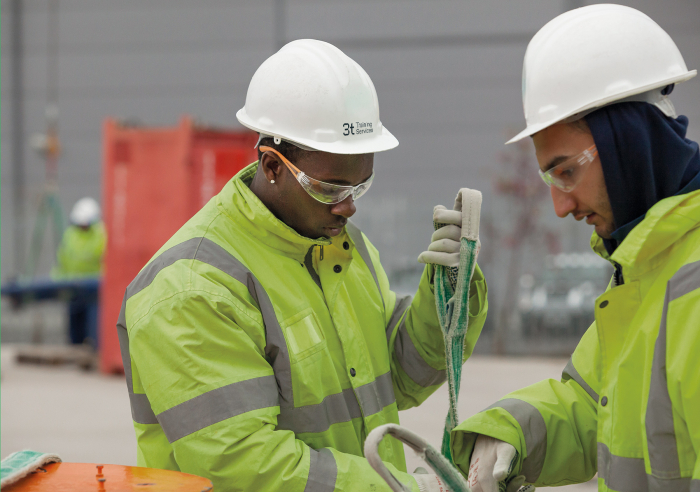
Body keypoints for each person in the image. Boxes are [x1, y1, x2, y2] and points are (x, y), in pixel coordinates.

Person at [117, 39, 488, 491]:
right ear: (272, 165)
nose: (348, 208)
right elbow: (245, 466)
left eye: (360, 186)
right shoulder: (192, 289)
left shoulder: (339, 247)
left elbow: (400, 380)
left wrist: (447, 296)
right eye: (330, 189)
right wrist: (399, 488)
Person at [448, 5, 700, 492]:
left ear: (628, 139)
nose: (560, 206)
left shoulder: (688, 283)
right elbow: (594, 405)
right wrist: (507, 436)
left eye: (566, 172)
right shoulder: (645, 269)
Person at [52, 197, 106, 344]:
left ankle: (94, 349)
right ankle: (75, 348)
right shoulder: (70, 235)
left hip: (94, 291)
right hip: (73, 288)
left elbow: (106, 260)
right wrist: (59, 281)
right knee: (75, 325)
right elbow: (63, 260)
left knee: (94, 325)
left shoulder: (101, 235)